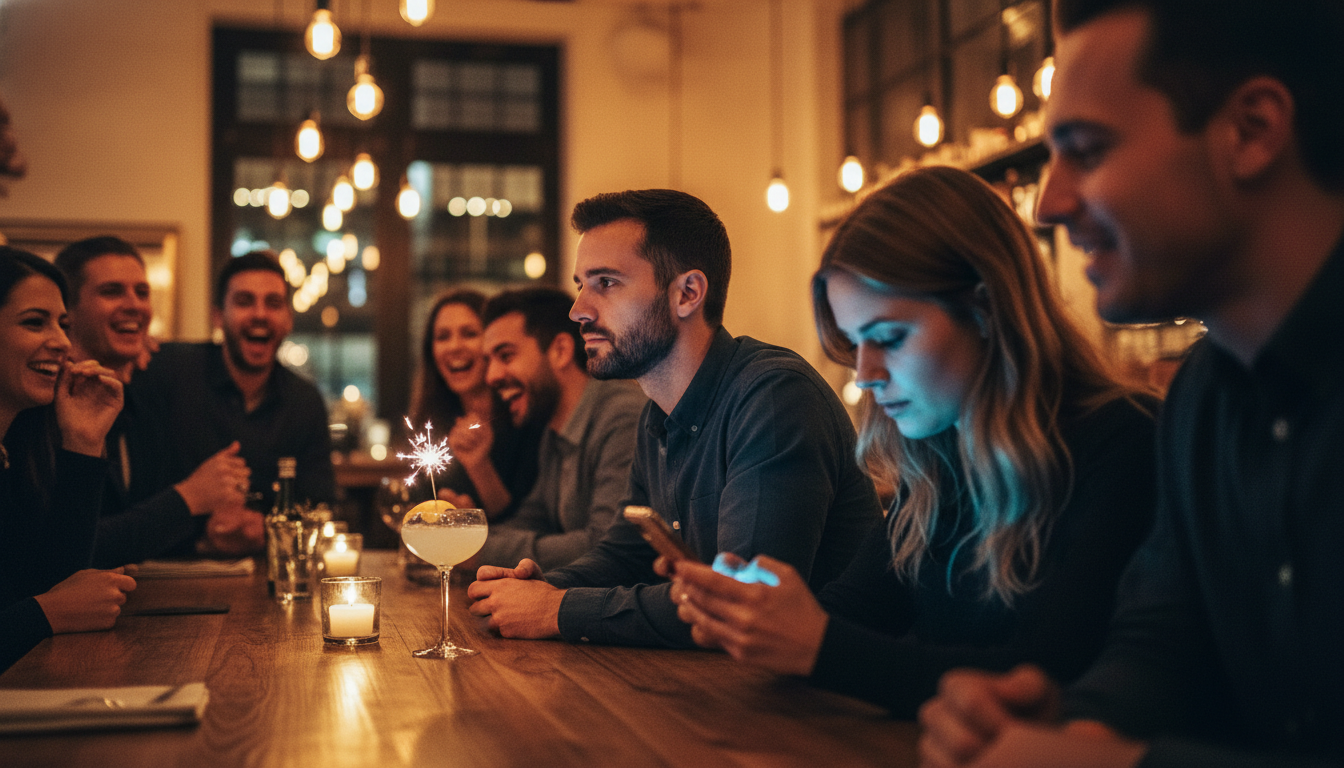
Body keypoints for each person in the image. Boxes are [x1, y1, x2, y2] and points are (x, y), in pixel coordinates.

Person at [917, 1, 1344, 767]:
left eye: (1085, 150)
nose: (1049, 203)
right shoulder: (1203, 399)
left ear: (1250, 131)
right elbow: (1160, 647)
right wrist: (1075, 723)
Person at [663, 166, 1157, 718]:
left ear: (986, 309)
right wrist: (750, 616)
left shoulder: (1125, 441)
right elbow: (856, 612)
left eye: (889, 338)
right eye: (854, 344)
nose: (866, 373)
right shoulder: (937, 460)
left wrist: (816, 645)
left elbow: (1049, 674)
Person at [467, 189, 882, 647]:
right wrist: (545, 586)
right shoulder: (656, 416)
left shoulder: (773, 398)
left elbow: (740, 597)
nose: (578, 310)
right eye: (581, 285)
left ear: (687, 294)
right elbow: (626, 554)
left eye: (605, 283)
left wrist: (559, 610)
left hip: (828, 706)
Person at [54, 236, 252, 565]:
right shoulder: (44, 405)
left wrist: (212, 534)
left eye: (142, 292)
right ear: (68, 311)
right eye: (112, 291)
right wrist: (189, 498)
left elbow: (140, 528)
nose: (135, 305)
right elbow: (69, 550)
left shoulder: (141, 391)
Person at [134, 251, 335, 552]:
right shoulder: (168, 371)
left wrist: (266, 531)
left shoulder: (305, 401)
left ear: (288, 320)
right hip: (169, 572)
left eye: (273, 303)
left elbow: (319, 508)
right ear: (218, 316)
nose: (260, 314)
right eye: (244, 301)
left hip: (268, 577)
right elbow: (132, 501)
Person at [0, 247, 135, 671]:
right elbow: (59, 603)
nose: (60, 342)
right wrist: (46, 613)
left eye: (62, 324)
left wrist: (84, 439)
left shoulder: (17, 449)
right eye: (34, 322)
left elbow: (58, 583)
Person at [450, 287, 643, 570]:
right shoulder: (554, 428)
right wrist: (462, 532)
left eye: (505, 356)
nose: (491, 376)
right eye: (488, 361)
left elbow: (607, 546)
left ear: (560, 351)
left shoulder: (622, 417)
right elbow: (533, 520)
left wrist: (478, 548)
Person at [409, 289, 541, 521]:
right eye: (442, 337)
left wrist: (479, 467)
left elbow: (526, 522)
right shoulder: (433, 422)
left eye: (469, 333)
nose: (454, 347)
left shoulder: (524, 415)